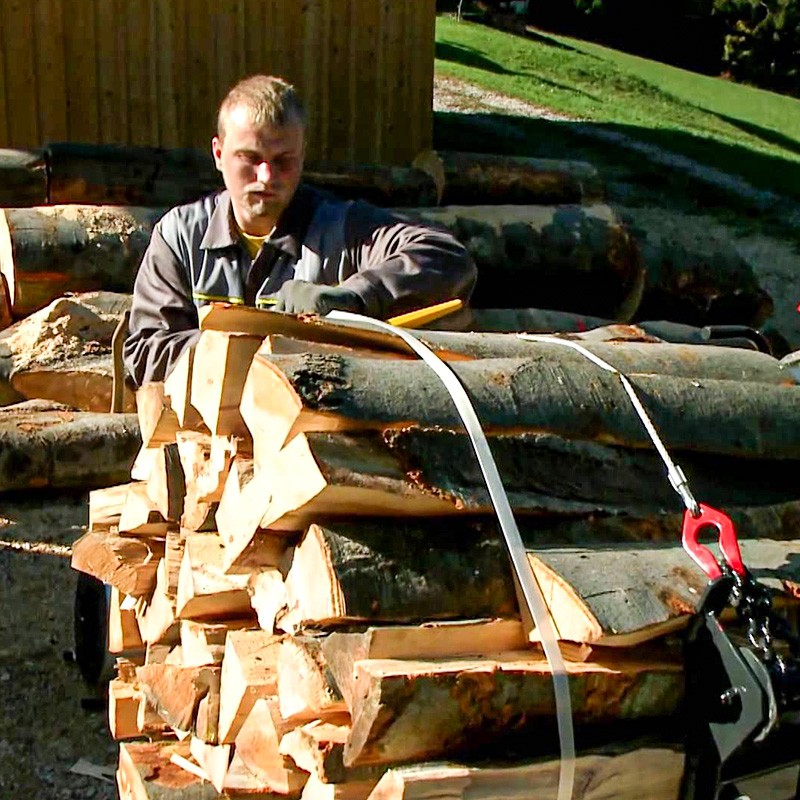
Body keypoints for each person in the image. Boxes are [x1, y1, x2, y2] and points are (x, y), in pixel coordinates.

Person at [123, 74, 477, 386]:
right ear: (218, 153)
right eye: (249, 158)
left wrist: (356, 298)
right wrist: (246, 346)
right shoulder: (180, 236)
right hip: (206, 445)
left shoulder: (341, 227)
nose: (266, 177)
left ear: (302, 156)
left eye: (283, 161)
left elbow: (448, 259)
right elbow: (144, 352)